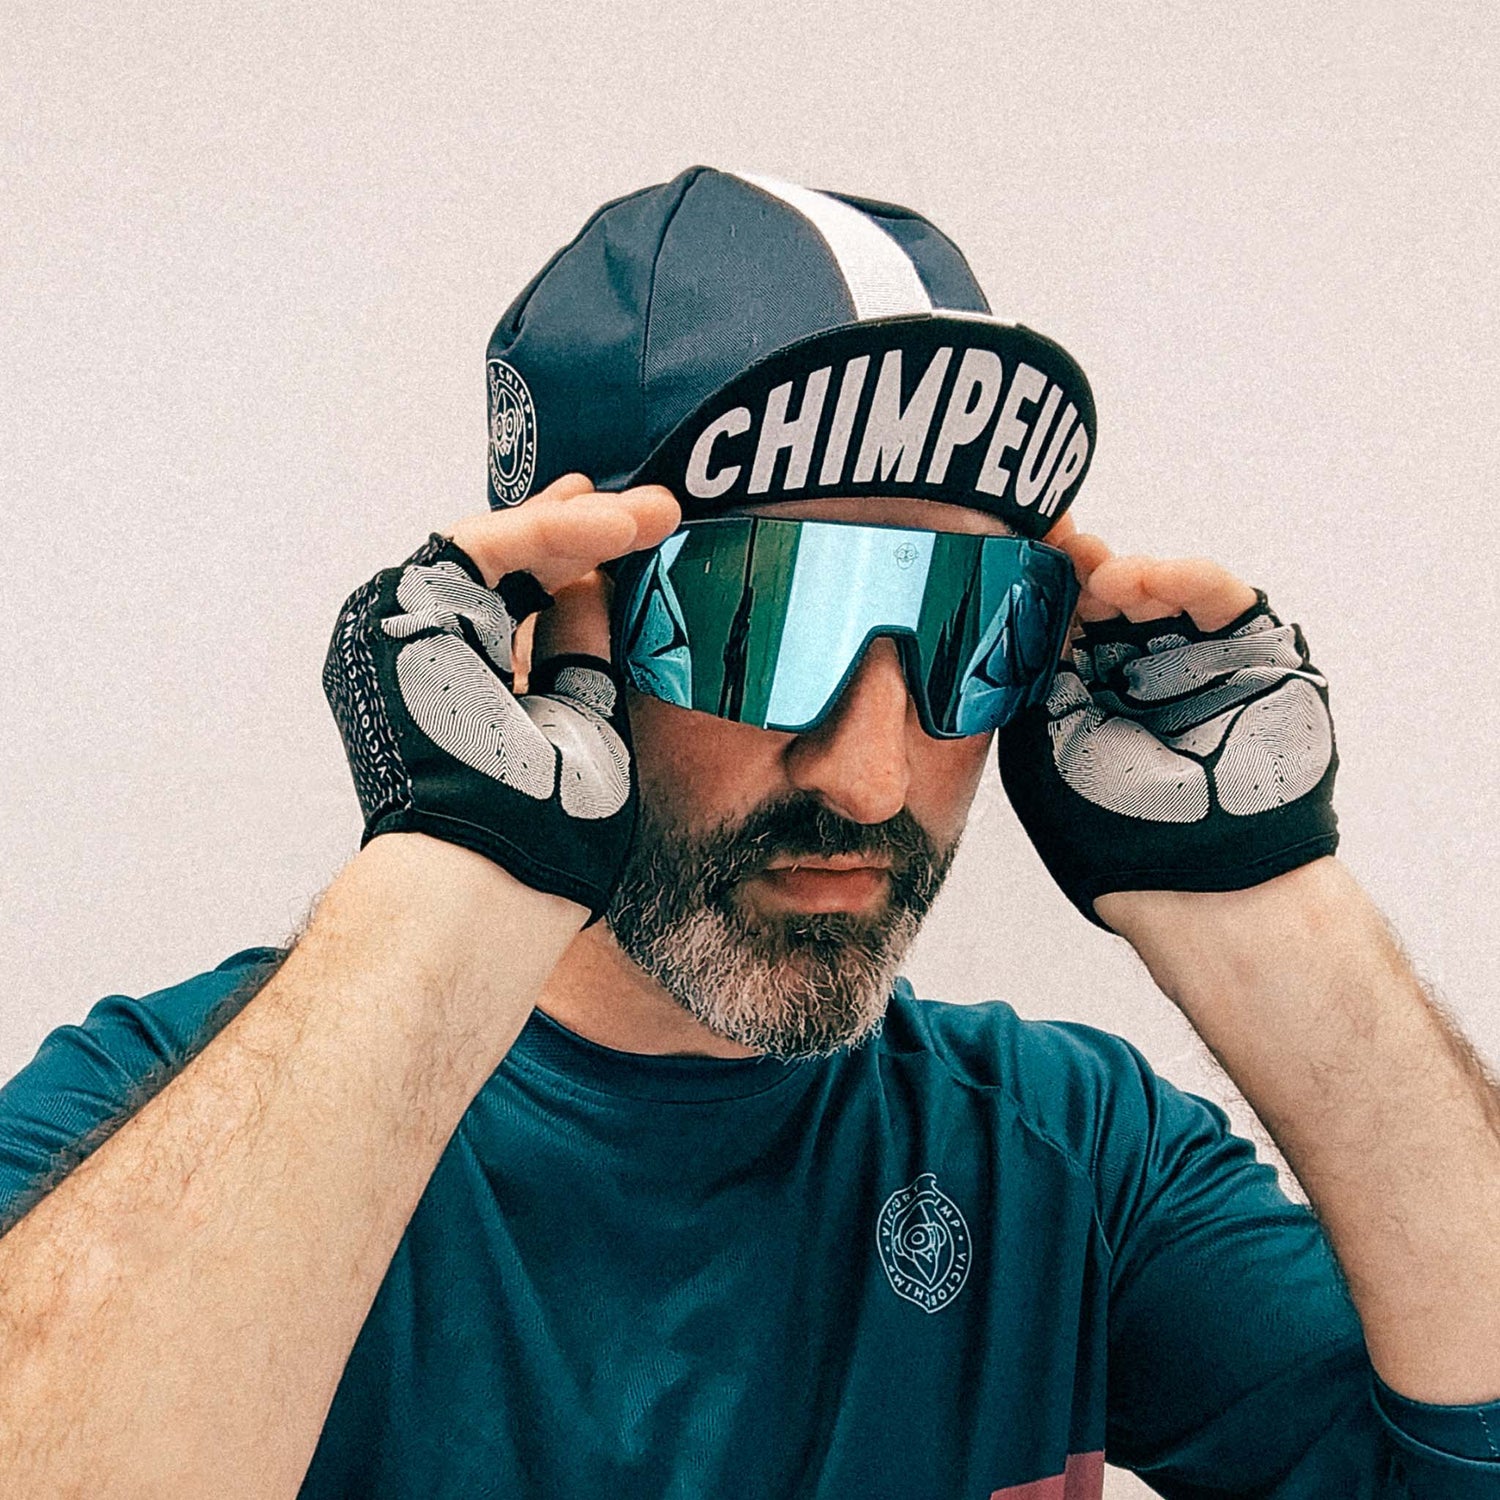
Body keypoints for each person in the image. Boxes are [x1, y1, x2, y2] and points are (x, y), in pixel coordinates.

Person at [0, 167, 1495, 1499]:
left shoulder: (1068, 1159)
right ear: (537, 616)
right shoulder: (150, 1122)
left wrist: (1266, 897)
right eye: (765, 619)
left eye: (970, 628)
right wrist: (454, 859)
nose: (871, 775)